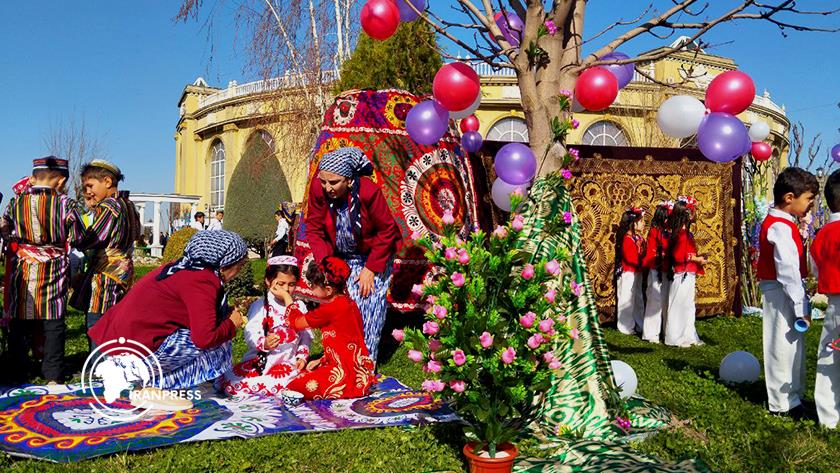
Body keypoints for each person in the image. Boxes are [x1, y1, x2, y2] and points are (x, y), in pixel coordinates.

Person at [89, 230, 248, 390]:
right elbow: (204, 338)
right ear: (225, 263)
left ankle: (153, 384)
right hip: (132, 354)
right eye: (240, 265)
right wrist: (231, 325)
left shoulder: (182, 268)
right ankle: (155, 386)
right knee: (219, 346)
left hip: (117, 343)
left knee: (217, 332)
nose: (239, 272)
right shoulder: (202, 280)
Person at [304, 147, 401, 362]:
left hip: (374, 254)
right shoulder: (318, 190)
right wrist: (327, 262)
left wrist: (371, 269)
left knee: (368, 300)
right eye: (323, 182)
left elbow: (387, 230)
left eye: (334, 182)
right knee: (344, 305)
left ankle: (364, 362)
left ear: (349, 180)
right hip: (341, 255)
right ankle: (342, 358)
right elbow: (314, 228)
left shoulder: (368, 191)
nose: (327, 188)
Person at [0, 157, 83, 384]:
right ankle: (53, 374)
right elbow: (78, 237)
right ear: (61, 180)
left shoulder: (15, 203)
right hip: (53, 268)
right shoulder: (67, 204)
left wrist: (11, 237)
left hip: (23, 266)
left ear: (34, 177)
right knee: (53, 321)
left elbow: (4, 224)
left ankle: (16, 371)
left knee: (19, 319)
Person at [758, 167, 817, 418]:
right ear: (790, 198)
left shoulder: (785, 224)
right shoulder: (779, 227)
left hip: (786, 290)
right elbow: (788, 270)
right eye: (808, 200)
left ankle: (792, 396)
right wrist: (799, 305)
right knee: (781, 344)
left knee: (792, 344)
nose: (810, 206)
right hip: (781, 289)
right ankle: (782, 403)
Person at [217, 255, 313, 397]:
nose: (286, 289)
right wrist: (264, 343)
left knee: (301, 384)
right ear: (268, 281)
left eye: (291, 284)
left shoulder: (298, 306)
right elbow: (251, 332)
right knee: (232, 384)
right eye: (281, 284)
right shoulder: (260, 305)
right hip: (261, 363)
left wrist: (302, 356)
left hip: (288, 363)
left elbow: (306, 334)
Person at [71, 160, 141, 350]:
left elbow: (93, 238)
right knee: (116, 318)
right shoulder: (129, 205)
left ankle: (99, 365)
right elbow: (137, 234)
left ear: (107, 181)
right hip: (124, 269)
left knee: (97, 319)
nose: (87, 192)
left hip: (106, 270)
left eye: (90, 185)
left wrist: (74, 226)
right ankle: (117, 359)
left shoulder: (108, 206)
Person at [282, 256, 375, 400]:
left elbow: (296, 322)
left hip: (344, 374)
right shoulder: (349, 303)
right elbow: (346, 341)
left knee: (294, 387)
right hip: (360, 372)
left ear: (328, 289)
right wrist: (322, 359)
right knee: (306, 373)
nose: (310, 288)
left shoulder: (329, 309)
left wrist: (287, 298)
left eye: (312, 285)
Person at [812, 170, 840, 428]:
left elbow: (814, 266)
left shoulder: (821, 234)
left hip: (834, 304)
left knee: (830, 356)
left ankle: (828, 417)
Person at [665, 196, 706, 347]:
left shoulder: (686, 234)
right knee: (678, 305)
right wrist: (696, 259)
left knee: (688, 305)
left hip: (688, 273)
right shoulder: (680, 235)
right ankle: (675, 337)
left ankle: (688, 334)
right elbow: (679, 255)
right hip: (682, 272)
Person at [641, 201, 672, 343]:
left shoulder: (669, 233)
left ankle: (666, 331)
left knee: (666, 300)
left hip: (667, 270)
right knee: (655, 300)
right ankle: (650, 333)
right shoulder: (654, 232)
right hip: (656, 269)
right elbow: (651, 252)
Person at [614, 207, 645, 336]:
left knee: (638, 297)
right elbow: (630, 257)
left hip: (637, 271)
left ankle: (639, 323)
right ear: (633, 223)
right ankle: (625, 325)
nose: (643, 224)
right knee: (626, 298)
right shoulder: (627, 239)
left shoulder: (638, 238)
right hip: (628, 272)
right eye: (641, 221)